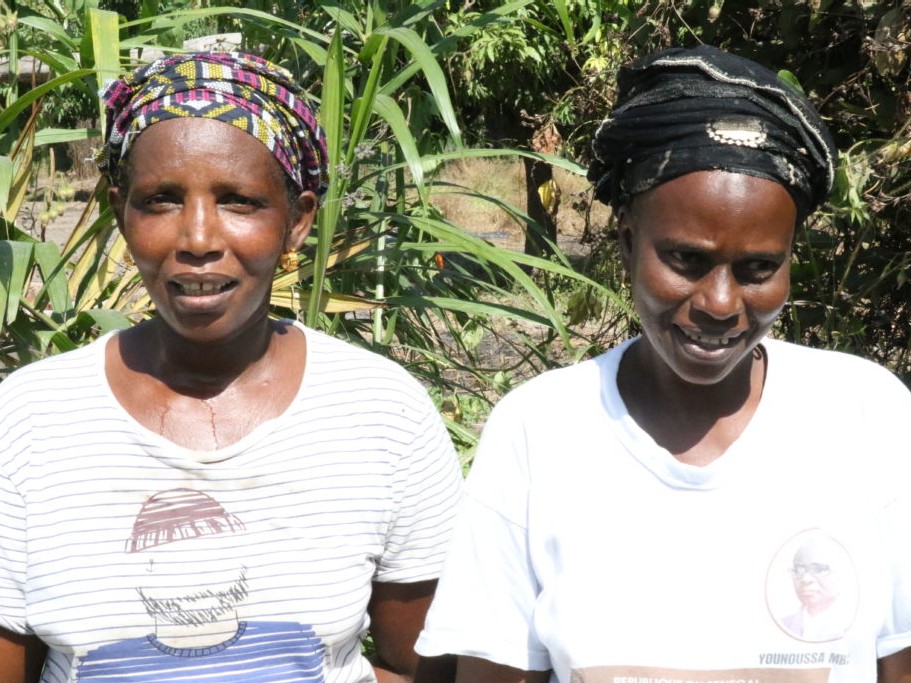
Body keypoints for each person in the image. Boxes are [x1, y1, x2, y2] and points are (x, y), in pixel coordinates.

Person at [415, 45, 911, 683]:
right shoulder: (542, 428)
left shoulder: (866, 414)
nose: (721, 303)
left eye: (759, 270)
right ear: (626, 242)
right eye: (686, 261)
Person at [0, 52, 463, 683]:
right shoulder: (30, 422)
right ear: (121, 213)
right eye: (160, 200)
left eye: (239, 201)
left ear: (297, 220)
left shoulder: (381, 413)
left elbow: (425, 667)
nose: (197, 238)